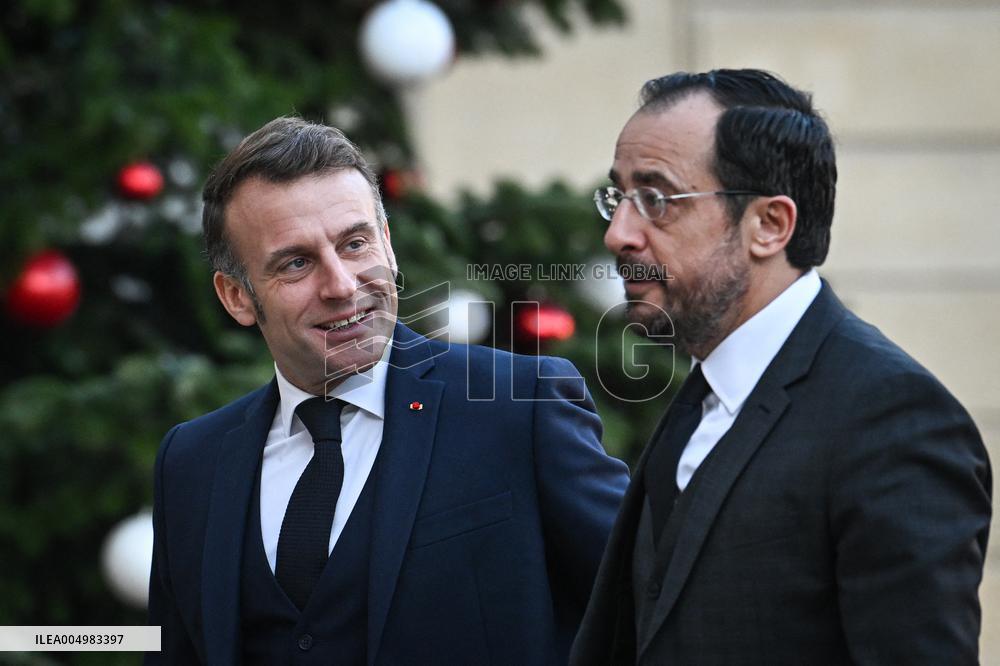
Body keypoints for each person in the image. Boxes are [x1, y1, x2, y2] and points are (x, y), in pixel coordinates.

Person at [146, 117, 629, 666]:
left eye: (354, 244)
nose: (342, 285)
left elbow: (645, 606)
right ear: (236, 296)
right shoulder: (191, 463)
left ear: (389, 247)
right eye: (297, 263)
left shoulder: (518, 405)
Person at [570, 69, 992, 665]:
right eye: (618, 197)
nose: (618, 234)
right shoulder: (704, 390)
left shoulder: (893, 419)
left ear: (769, 225)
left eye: (656, 199)